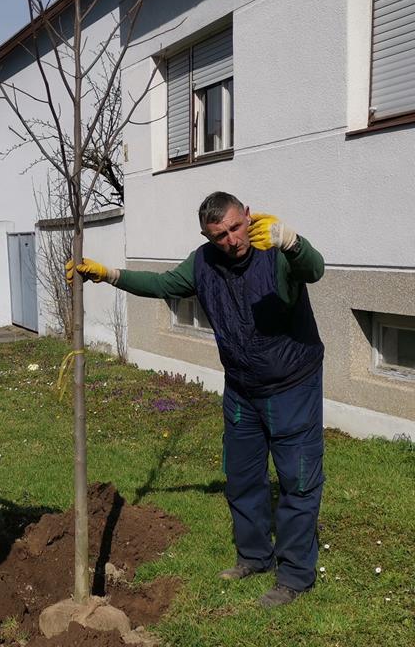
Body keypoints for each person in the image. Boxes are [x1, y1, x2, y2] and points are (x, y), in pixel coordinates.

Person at [66, 191, 325, 609]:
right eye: (219, 235)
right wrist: (109, 274)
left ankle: (294, 575)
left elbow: (314, 270)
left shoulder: (273, 251)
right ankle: (254, 556)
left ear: (248, 215)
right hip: (242, 387)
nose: (231, 240)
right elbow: (163, 284)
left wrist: (292, 241)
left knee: (297, 480)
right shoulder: (204, 262)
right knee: (242, 478)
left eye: (235, 227)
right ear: (207, 235)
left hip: (291, 383)